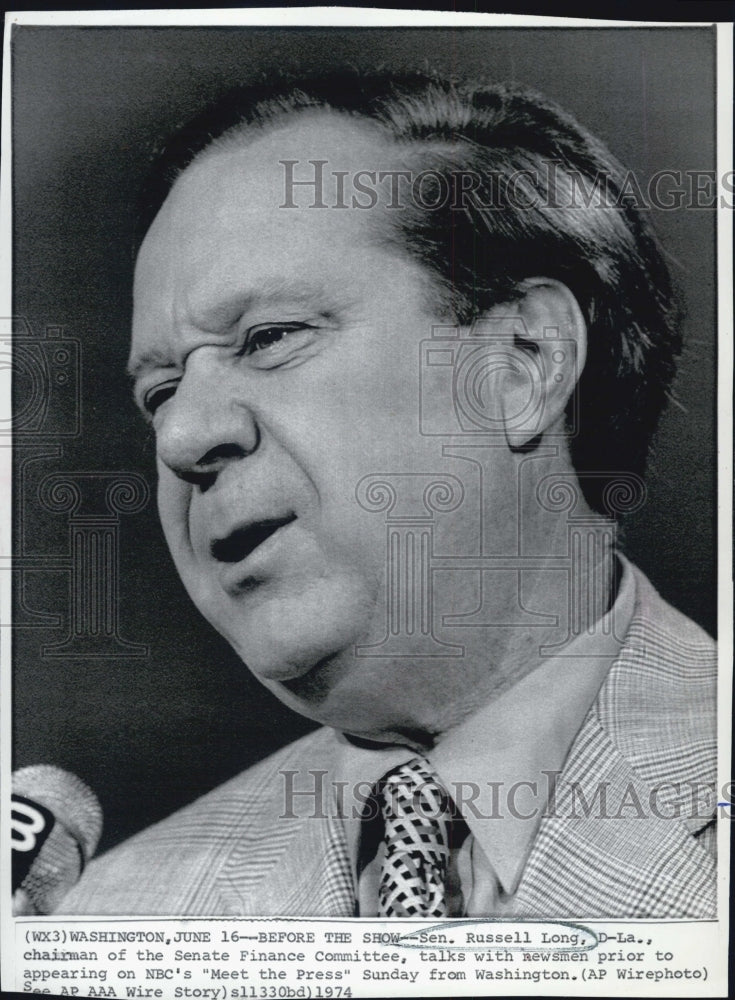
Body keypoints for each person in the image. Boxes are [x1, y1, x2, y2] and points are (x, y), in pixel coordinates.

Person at [62, 70, 716, 919]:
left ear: (519, 363)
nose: (181, 438)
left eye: (268, 338)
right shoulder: (111, 917)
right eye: (158, 394)